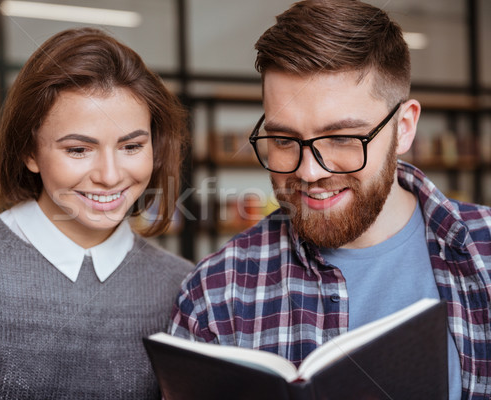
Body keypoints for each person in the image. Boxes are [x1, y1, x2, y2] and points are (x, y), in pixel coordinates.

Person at [169, 1, 491, 398]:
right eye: (284, 140)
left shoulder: (485, 253)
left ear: (404, 128)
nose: (309, 172)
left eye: (341, 138)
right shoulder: (214, 294)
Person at [0, 27, 193, 399]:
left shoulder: (182, 284)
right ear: (30, 152)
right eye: (78, 150)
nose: (110, 175)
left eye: (131, 145)